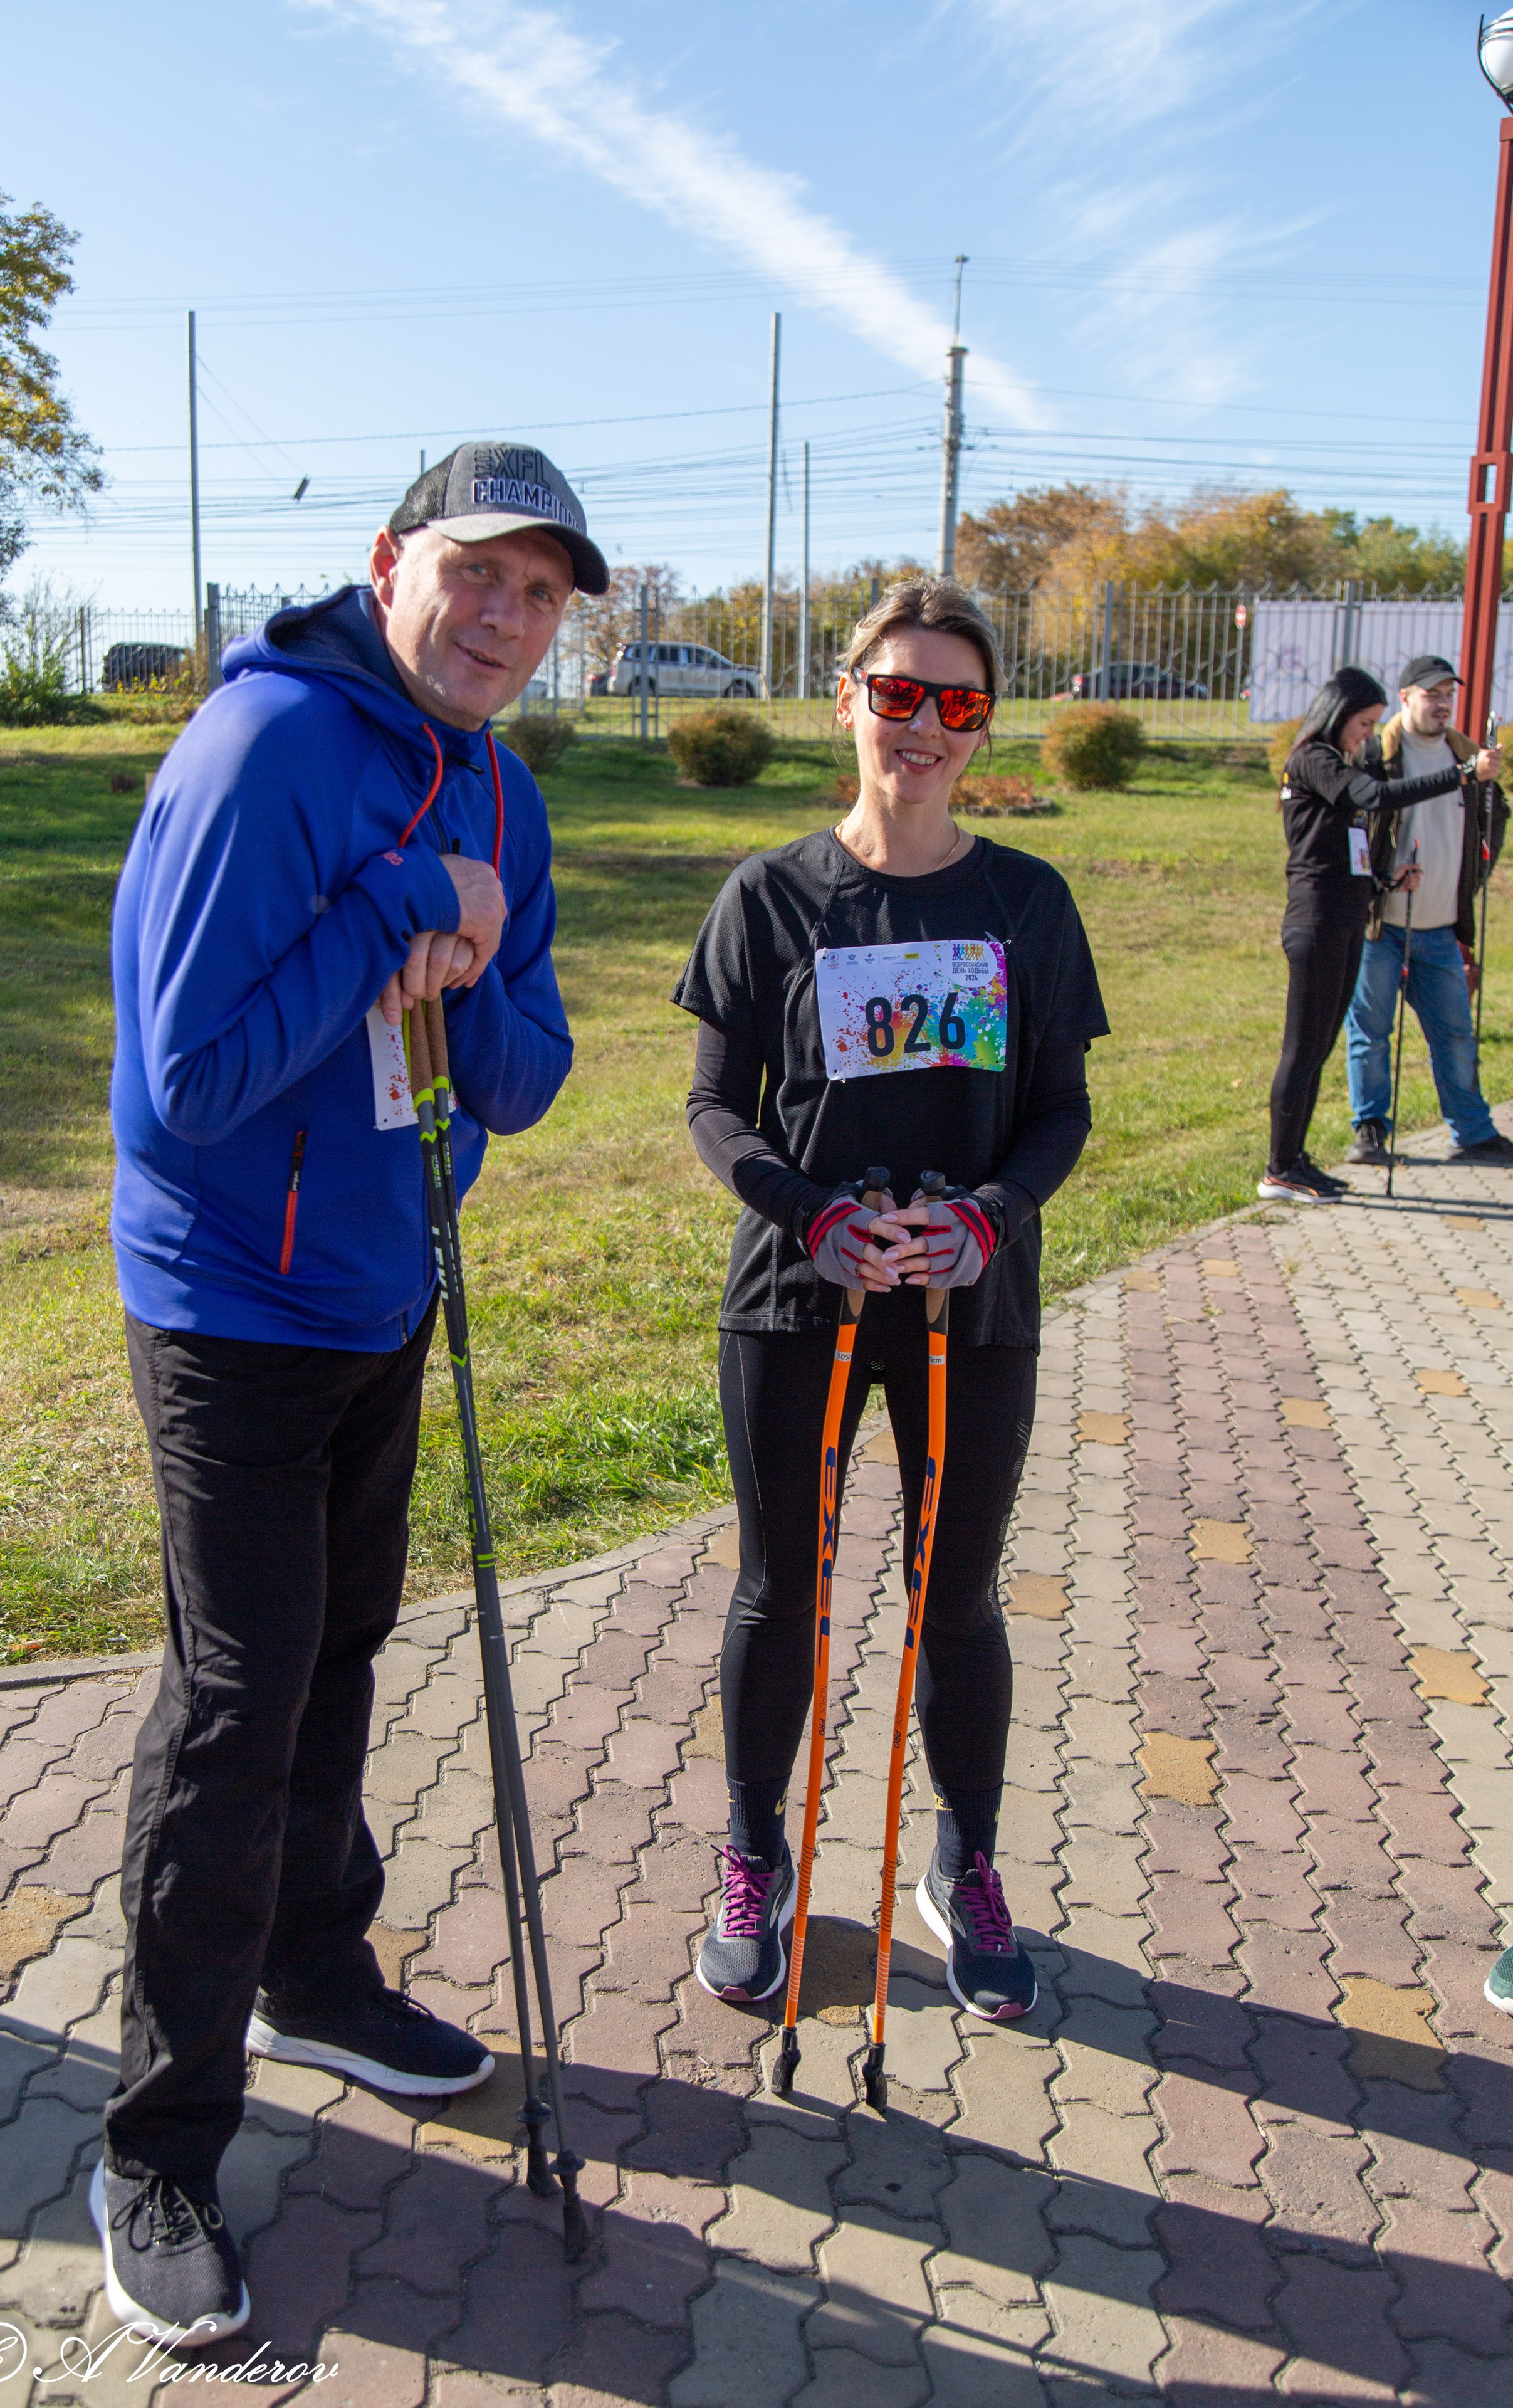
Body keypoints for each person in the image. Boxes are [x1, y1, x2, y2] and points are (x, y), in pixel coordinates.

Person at [98, 443, 608, 2343]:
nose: (505, 620)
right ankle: (156, 2135)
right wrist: (402, 899)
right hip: (232, 1301)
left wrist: (468, 957)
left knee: (341, 1650)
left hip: (384, 1286)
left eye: (542, 596)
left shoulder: (499, 787)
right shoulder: (267, 749)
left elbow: (528, 1068)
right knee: (237, 1699)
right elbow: (188, 1087)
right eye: (479, 574)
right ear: (391, 564)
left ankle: (314, 1969)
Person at [673, 576, 1108, 2024]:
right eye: (896, 691)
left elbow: (1056, 1111)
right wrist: (814, 1211)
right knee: (776, 1587)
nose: (921, 725)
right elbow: (711, 1108)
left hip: (963, 1310)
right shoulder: (771, 894)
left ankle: (966, 1860)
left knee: (953, 1592)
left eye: (958, 702)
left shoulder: (1022, 901)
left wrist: (983, 1218)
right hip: (800, 1298)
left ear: (982, 728)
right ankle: (751, 1853)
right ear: (847, 696)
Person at [1259, 666, 1487, 1204]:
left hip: (1345, 920)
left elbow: (1343, 851)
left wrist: (1385, 880)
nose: (1368, 735)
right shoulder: (1314, 759)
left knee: (1318, 1049)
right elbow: (1375, 795)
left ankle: (1296, 1159)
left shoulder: (1337, 765)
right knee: (1302, 1049)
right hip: (1314, 923)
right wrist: (1463, 774)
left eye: (1373, 725)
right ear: (1338, 716)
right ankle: (1277, 1168)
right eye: (1363, 724)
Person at [1343, 653, 1510, 1167]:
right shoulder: (1377, 755)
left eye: (1448, 695)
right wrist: (1370, 886)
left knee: (1455, 1035)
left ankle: (1474, 1132)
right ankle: (1370, 1130)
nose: (1441, 704)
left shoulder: (1469, 757)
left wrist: (1469, 883)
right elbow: (1353, 828)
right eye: (1431, 694)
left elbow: (1494, 821)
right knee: (1370, 1034)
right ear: (1406, 697)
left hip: (1440, 928)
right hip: (1381, 925)